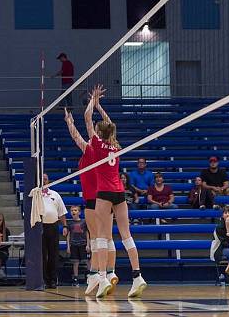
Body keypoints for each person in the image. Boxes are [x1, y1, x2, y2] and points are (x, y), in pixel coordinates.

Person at [83, 85, 146, 298]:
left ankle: (102, 278)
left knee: (101, 236)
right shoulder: (116, 146)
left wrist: (93, 101)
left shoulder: (98, 145)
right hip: (120, 192)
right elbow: (111, 125)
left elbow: (86, 116)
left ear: (100, 133)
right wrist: (101, 107)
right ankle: (137, 277)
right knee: (126, 235)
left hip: (104, 193)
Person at [64, 108, 118, 294]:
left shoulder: (91, 150)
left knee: (96, 240)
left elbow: (76, 136)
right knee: (108, 238)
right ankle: (110, 273)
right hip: (108, 198)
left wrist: (69, 122)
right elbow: (110, 127)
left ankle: (96, 274)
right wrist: (99, 106)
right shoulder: (109, 147)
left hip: (93, 199)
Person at [39, 173, 67, 289]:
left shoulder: (55, 194)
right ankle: (44, 280)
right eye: (42, 179)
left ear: (48, 181)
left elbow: (62, 212)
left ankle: (53, 280)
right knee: (42, 255)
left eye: (46, 179)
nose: (44, 181)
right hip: (40, 228)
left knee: (53, 255)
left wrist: (65, 226)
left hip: (53, 227)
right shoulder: (36, 195)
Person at [66, 205, 89, 287]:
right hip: (74, 244)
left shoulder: (83, 222)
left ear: (79, 212)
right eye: (72, 210)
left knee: (86, 261)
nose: (73, 212)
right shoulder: (70, 223)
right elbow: (68, 235)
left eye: (75, 210)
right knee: (75, 262)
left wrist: (88, 245)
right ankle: (75, 279)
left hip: (83, 244)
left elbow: (87, 233)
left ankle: (89, 277)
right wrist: (68, 246)